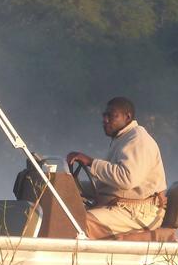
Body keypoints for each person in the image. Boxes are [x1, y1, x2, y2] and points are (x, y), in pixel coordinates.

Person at [66, 96, 167, 239]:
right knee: (67, 210)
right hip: (123, 207)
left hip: (140, 213)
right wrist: (69, 186)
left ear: (127, 117)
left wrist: (91, 162)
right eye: (104, 116)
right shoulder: (122, 138)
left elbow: (126, 179)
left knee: (78, 222)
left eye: (111, 116)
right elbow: (109, 186)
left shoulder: (138, 139)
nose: (105, 120)